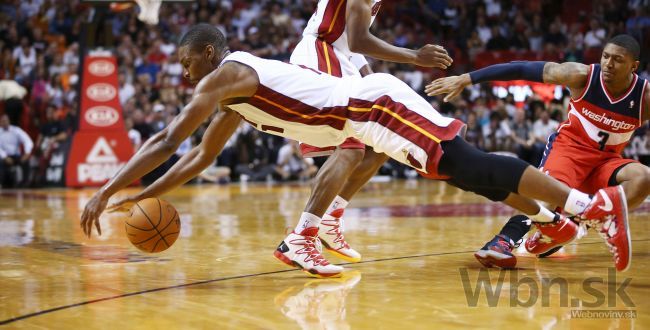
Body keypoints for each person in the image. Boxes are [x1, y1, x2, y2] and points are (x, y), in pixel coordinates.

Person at [81, 24, 630, 278]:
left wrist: (107, 191)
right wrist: (135, 199)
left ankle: (587, 208)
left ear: (206, 54)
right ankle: (556, 216)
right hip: (365, 122)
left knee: (469, 164)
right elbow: (197, 158)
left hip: (374, 107)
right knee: (466, 172)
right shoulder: (233, 101)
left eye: (186, 64)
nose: (184, 75)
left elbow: (166, 138)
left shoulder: (227, 74)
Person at [425, 34, 648, 271]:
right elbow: (522, 68)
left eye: (618, 60)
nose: (608, 64)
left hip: (607, 161)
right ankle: (503, 241)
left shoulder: (644, 97)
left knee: (643, 178)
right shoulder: (581, 75)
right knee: (545, 194)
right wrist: (468, 78)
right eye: (605, 56)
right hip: (570, 150)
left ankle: (571, 224)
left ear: (634, 66)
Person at [286, 0, 453, 265]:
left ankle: (331, 218)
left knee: (381, 140)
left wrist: (368, 77)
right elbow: (358, 40)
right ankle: (301, 236)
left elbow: (350, 43)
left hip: (341, 58)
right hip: (321, 54)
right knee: (351, 149)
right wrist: (415, 56)